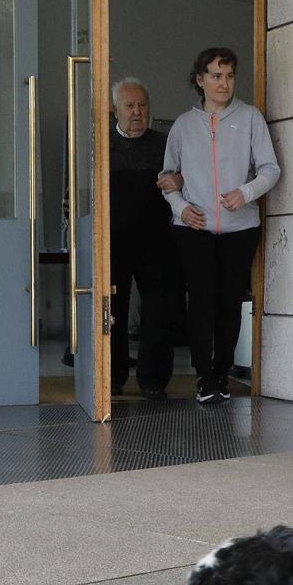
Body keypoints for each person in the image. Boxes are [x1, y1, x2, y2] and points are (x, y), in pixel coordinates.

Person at [157, 47, 280, 405]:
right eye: (215, 76)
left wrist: (245, 192)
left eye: (228, 76)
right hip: (193, 228)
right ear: (200, 80)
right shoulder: (182, 125)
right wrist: (181, 210)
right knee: (201, 301)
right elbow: (167, 178)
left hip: (240, 228)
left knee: (229, 302)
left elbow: (271, 170)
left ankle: (222, 373)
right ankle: (204, 376)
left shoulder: (251, 118)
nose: (223, 83)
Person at [108, 78, 180, 399]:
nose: (137, 112)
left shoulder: (165, 146)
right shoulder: (102, 146)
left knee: (157, 310)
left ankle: (153, 379)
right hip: (113, 241)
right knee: (114, 309)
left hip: (156, 241)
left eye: (142, 105)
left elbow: (181, 190)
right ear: (115, 110)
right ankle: (112, 375)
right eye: (130, 106)